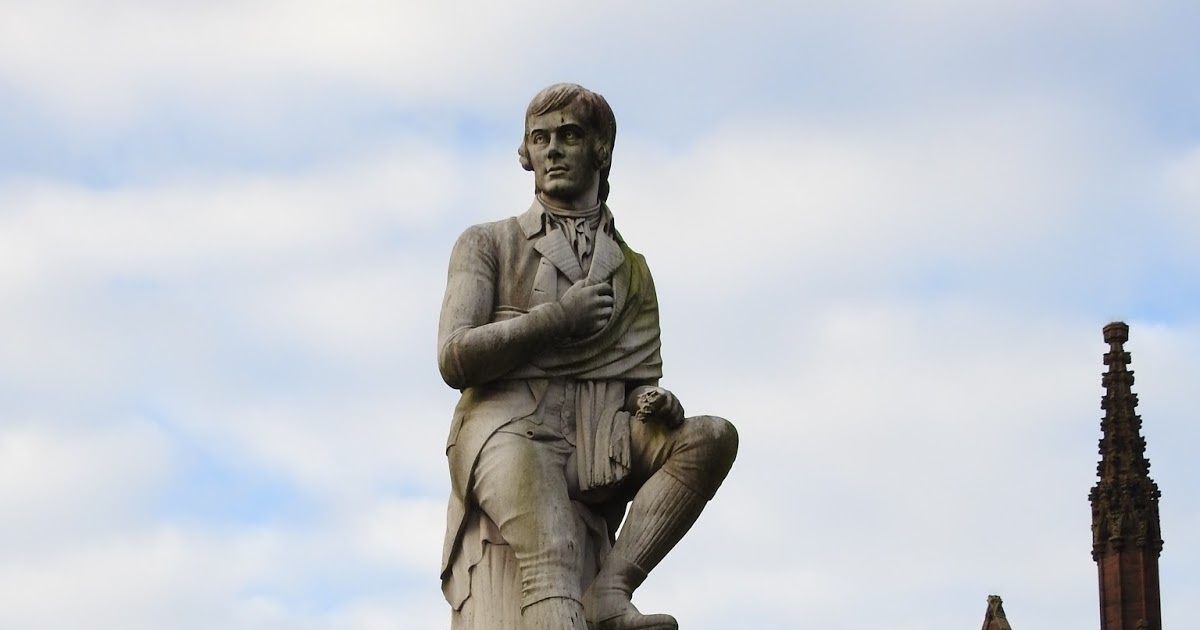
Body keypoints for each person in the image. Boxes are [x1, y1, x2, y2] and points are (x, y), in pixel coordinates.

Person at [438, 83, 738, 630]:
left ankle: (612, 589)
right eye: (540, 138)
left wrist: (651, 401)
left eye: (569, 136)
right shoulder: (487, 243)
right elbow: (455, 358)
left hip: (599, 434)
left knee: (711, 437)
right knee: (553, 550)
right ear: (525, 154)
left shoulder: (632, 268)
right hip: (510, 427)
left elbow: (630, 379)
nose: (552, 149)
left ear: (600, 149)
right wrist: (557, 320)